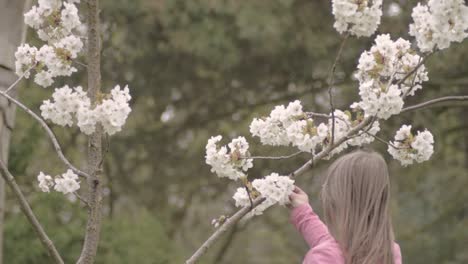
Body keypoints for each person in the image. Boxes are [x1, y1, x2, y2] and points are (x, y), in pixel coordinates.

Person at [289, 149, 402, 264]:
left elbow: (330, 253)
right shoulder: (390, 252)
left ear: (335, 202)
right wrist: (303, 212)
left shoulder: (321, 258)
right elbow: (334, 248)